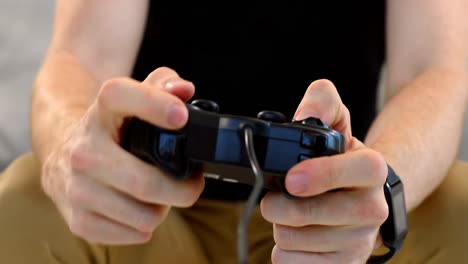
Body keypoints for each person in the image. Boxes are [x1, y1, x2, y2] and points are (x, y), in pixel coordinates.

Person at [0, 1, 467, 263]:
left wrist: (373, 194)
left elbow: (436, 70)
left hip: (335, 224)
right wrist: (69, 151)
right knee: (21, 205)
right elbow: (80, 58)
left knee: (461, 212)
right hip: (151, 214)